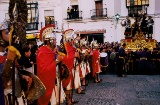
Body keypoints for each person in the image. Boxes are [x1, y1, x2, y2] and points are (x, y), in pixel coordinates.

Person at [37, 32, 64, 105]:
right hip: (47, 81)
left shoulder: (52, 52)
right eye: (54, 40)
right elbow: (44, 70)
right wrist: (57, 61)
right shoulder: (42, 52)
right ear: (50, 41)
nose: (56, 41)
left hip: (54, 79)